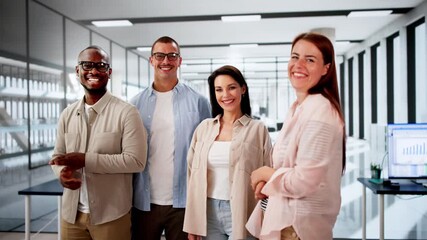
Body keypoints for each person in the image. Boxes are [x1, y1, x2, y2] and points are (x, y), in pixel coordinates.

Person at [246, 32, 346, 240]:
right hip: (285, 219)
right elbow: (290, 168)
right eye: (295, 56)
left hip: (298, 228)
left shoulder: (320, 111)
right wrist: (269, 184)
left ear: (326, 68)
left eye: (310, 60)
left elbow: (302, 181)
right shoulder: (298, 108)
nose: (298, 64)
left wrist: (266, 173)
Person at [49, 45, 148, 240]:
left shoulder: (127, 112)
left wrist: (86, 160)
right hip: (71, 217)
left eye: (101, 66)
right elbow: (57, 157)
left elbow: (136, 161)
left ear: (109, 73)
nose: (94, 71)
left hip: (111, 215)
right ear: (78, 71)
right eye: (87, 65)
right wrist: (62, 173)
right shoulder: (67, 114)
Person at [131, 36, 211, 240]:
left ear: (179, 60)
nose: (165, 61)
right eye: (159, 55)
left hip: (184, 203)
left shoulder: (198, 102)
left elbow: (207, 152)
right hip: (144, 202)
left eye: (172, 55)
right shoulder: (135, 104)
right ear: (151, 60)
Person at [183, 65, 272, 240]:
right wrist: (192, 222)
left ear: (243, 89)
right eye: (219, 89)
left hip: (243, 210)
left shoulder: (257, 129)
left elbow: (268, 175)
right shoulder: (204, 128)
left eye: (231, 87)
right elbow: (191, 176)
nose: (225, 95)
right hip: (207, 213)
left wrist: (266, 219)